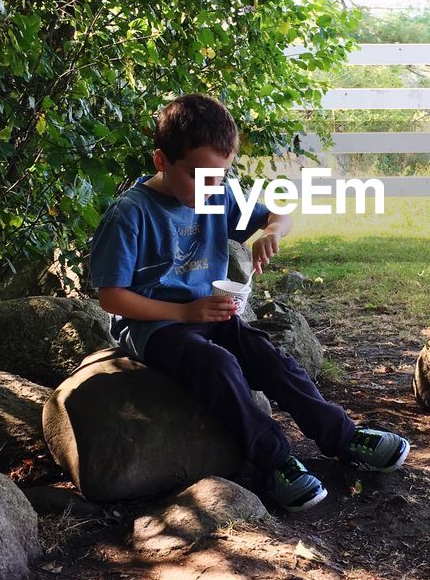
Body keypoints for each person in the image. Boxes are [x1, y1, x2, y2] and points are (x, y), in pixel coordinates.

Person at [90, 93, 411, 511]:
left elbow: (279, 213)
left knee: (268, 356)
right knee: (218, 366)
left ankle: (343, 437)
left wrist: (272, 231)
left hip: (206, 314)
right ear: (161, 161)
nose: (210, 185)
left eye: (220, 176)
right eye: (198, 174)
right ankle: (275, 461)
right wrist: (183, 312)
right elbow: (111, 296)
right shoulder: (130, 214)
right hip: (154, 326)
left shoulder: (211, 194)